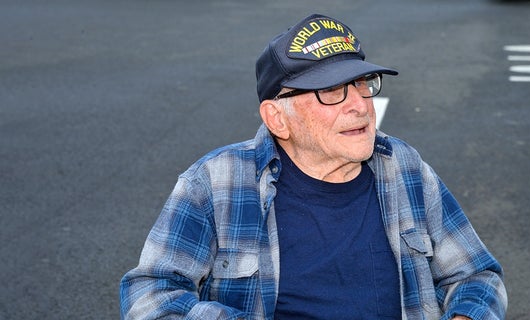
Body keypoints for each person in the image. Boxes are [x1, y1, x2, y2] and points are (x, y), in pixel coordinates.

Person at [120, 13, 507, 320]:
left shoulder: (403, 168)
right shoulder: (215, 184)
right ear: (277, 118)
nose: (359, 104)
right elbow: (149, 299)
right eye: (331, 91)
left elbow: (476, 276)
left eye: (361, 83)